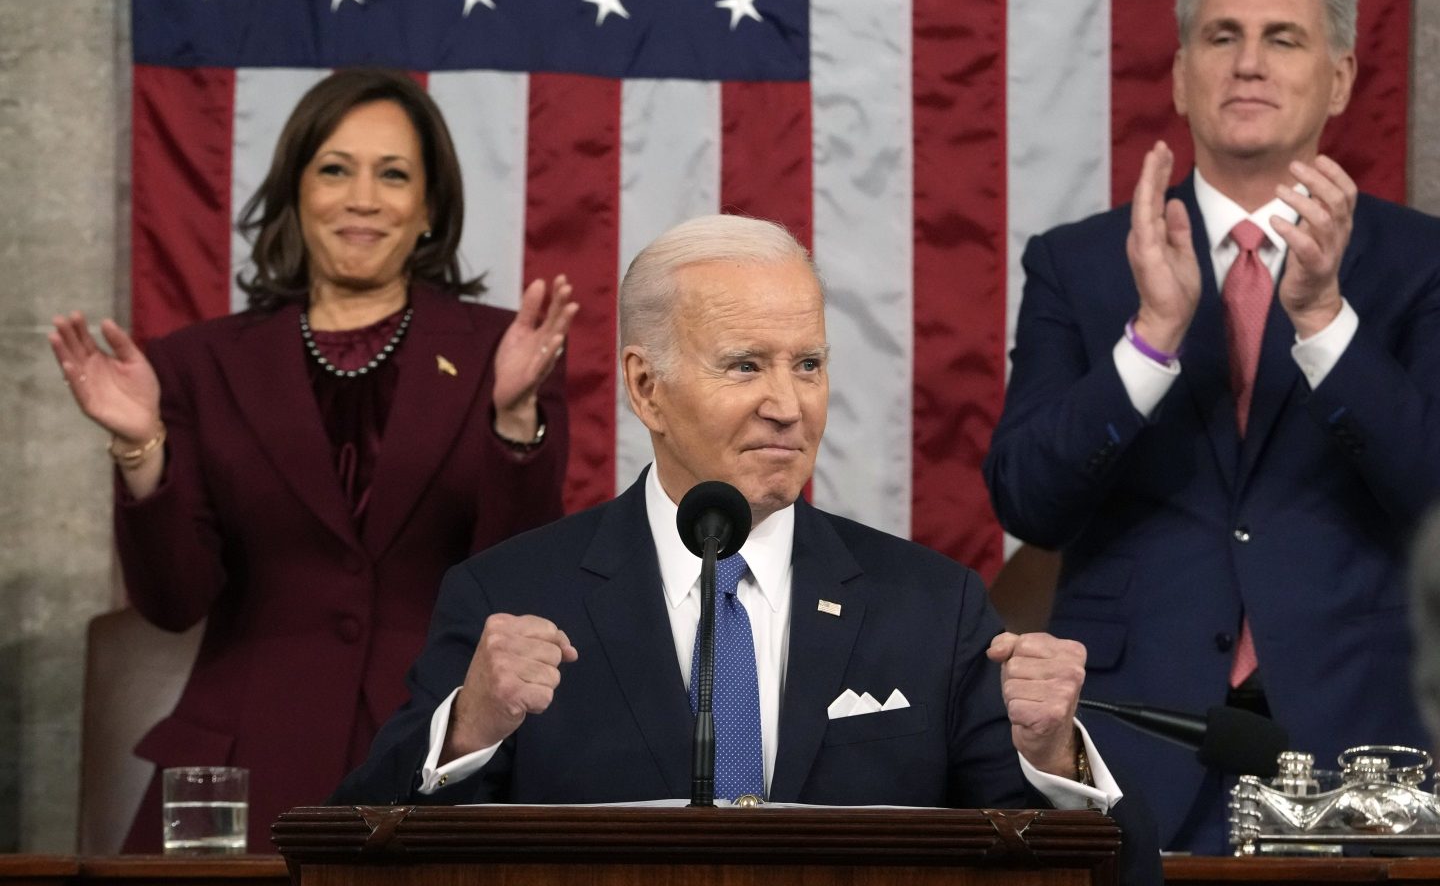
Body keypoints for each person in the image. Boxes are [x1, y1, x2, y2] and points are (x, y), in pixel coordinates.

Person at [332, 215, 1162, 884]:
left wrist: (1056, 755)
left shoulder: (932, 607)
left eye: (807, 364)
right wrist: (471, 724)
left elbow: (1111, 872)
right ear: (645, 387)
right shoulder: (511, 595)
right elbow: (354, 850)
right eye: (744, 366)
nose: (786, 404)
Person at [984, 0, 1440, 854]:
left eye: (1283, 37)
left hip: (1364, 745)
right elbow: (1027, 499)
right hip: (1132, 741)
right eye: (1222, 36)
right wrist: (1148, 341)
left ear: (1341, 77)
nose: (1248, 63)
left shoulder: (1421, 262)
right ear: (1184, 76)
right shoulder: (1077, 263)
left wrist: (1325, 323)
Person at [47, 68, 577, 853]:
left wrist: (511, 420)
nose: (362, 197)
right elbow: (172, 601)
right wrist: (139, 446)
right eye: (335, 169)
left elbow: (519, 583)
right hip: (242, 770)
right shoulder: (196, 363)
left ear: (429, 208)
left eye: (393, 174)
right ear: (297, 190)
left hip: (431, 765)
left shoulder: (507, 354)